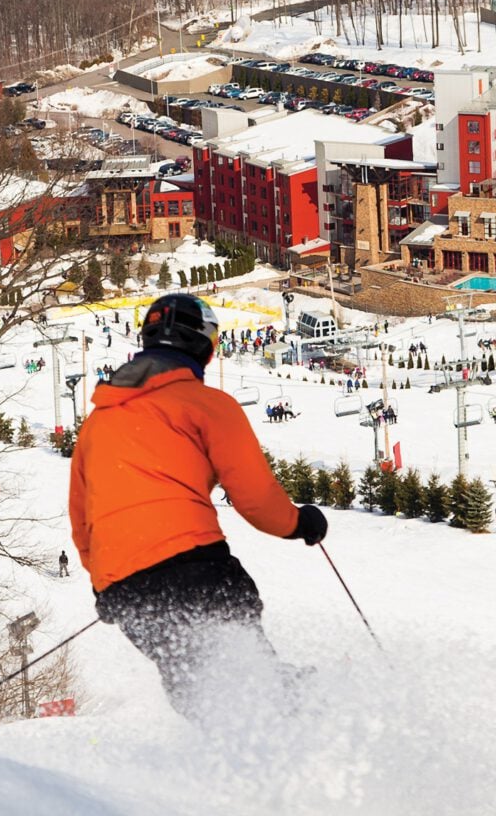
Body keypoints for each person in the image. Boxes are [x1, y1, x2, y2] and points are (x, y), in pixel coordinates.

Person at [69, 293, 326, 721]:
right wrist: (300, 523)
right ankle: (298, 734)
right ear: (205, 347)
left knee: (196, 685)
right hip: (193, 567)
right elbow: (255, 498)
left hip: (126, 591)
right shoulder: (207, 405)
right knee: (249, 672)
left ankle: (230, 763)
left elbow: (82, 517)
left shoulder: (98, 421)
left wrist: (106, 583)